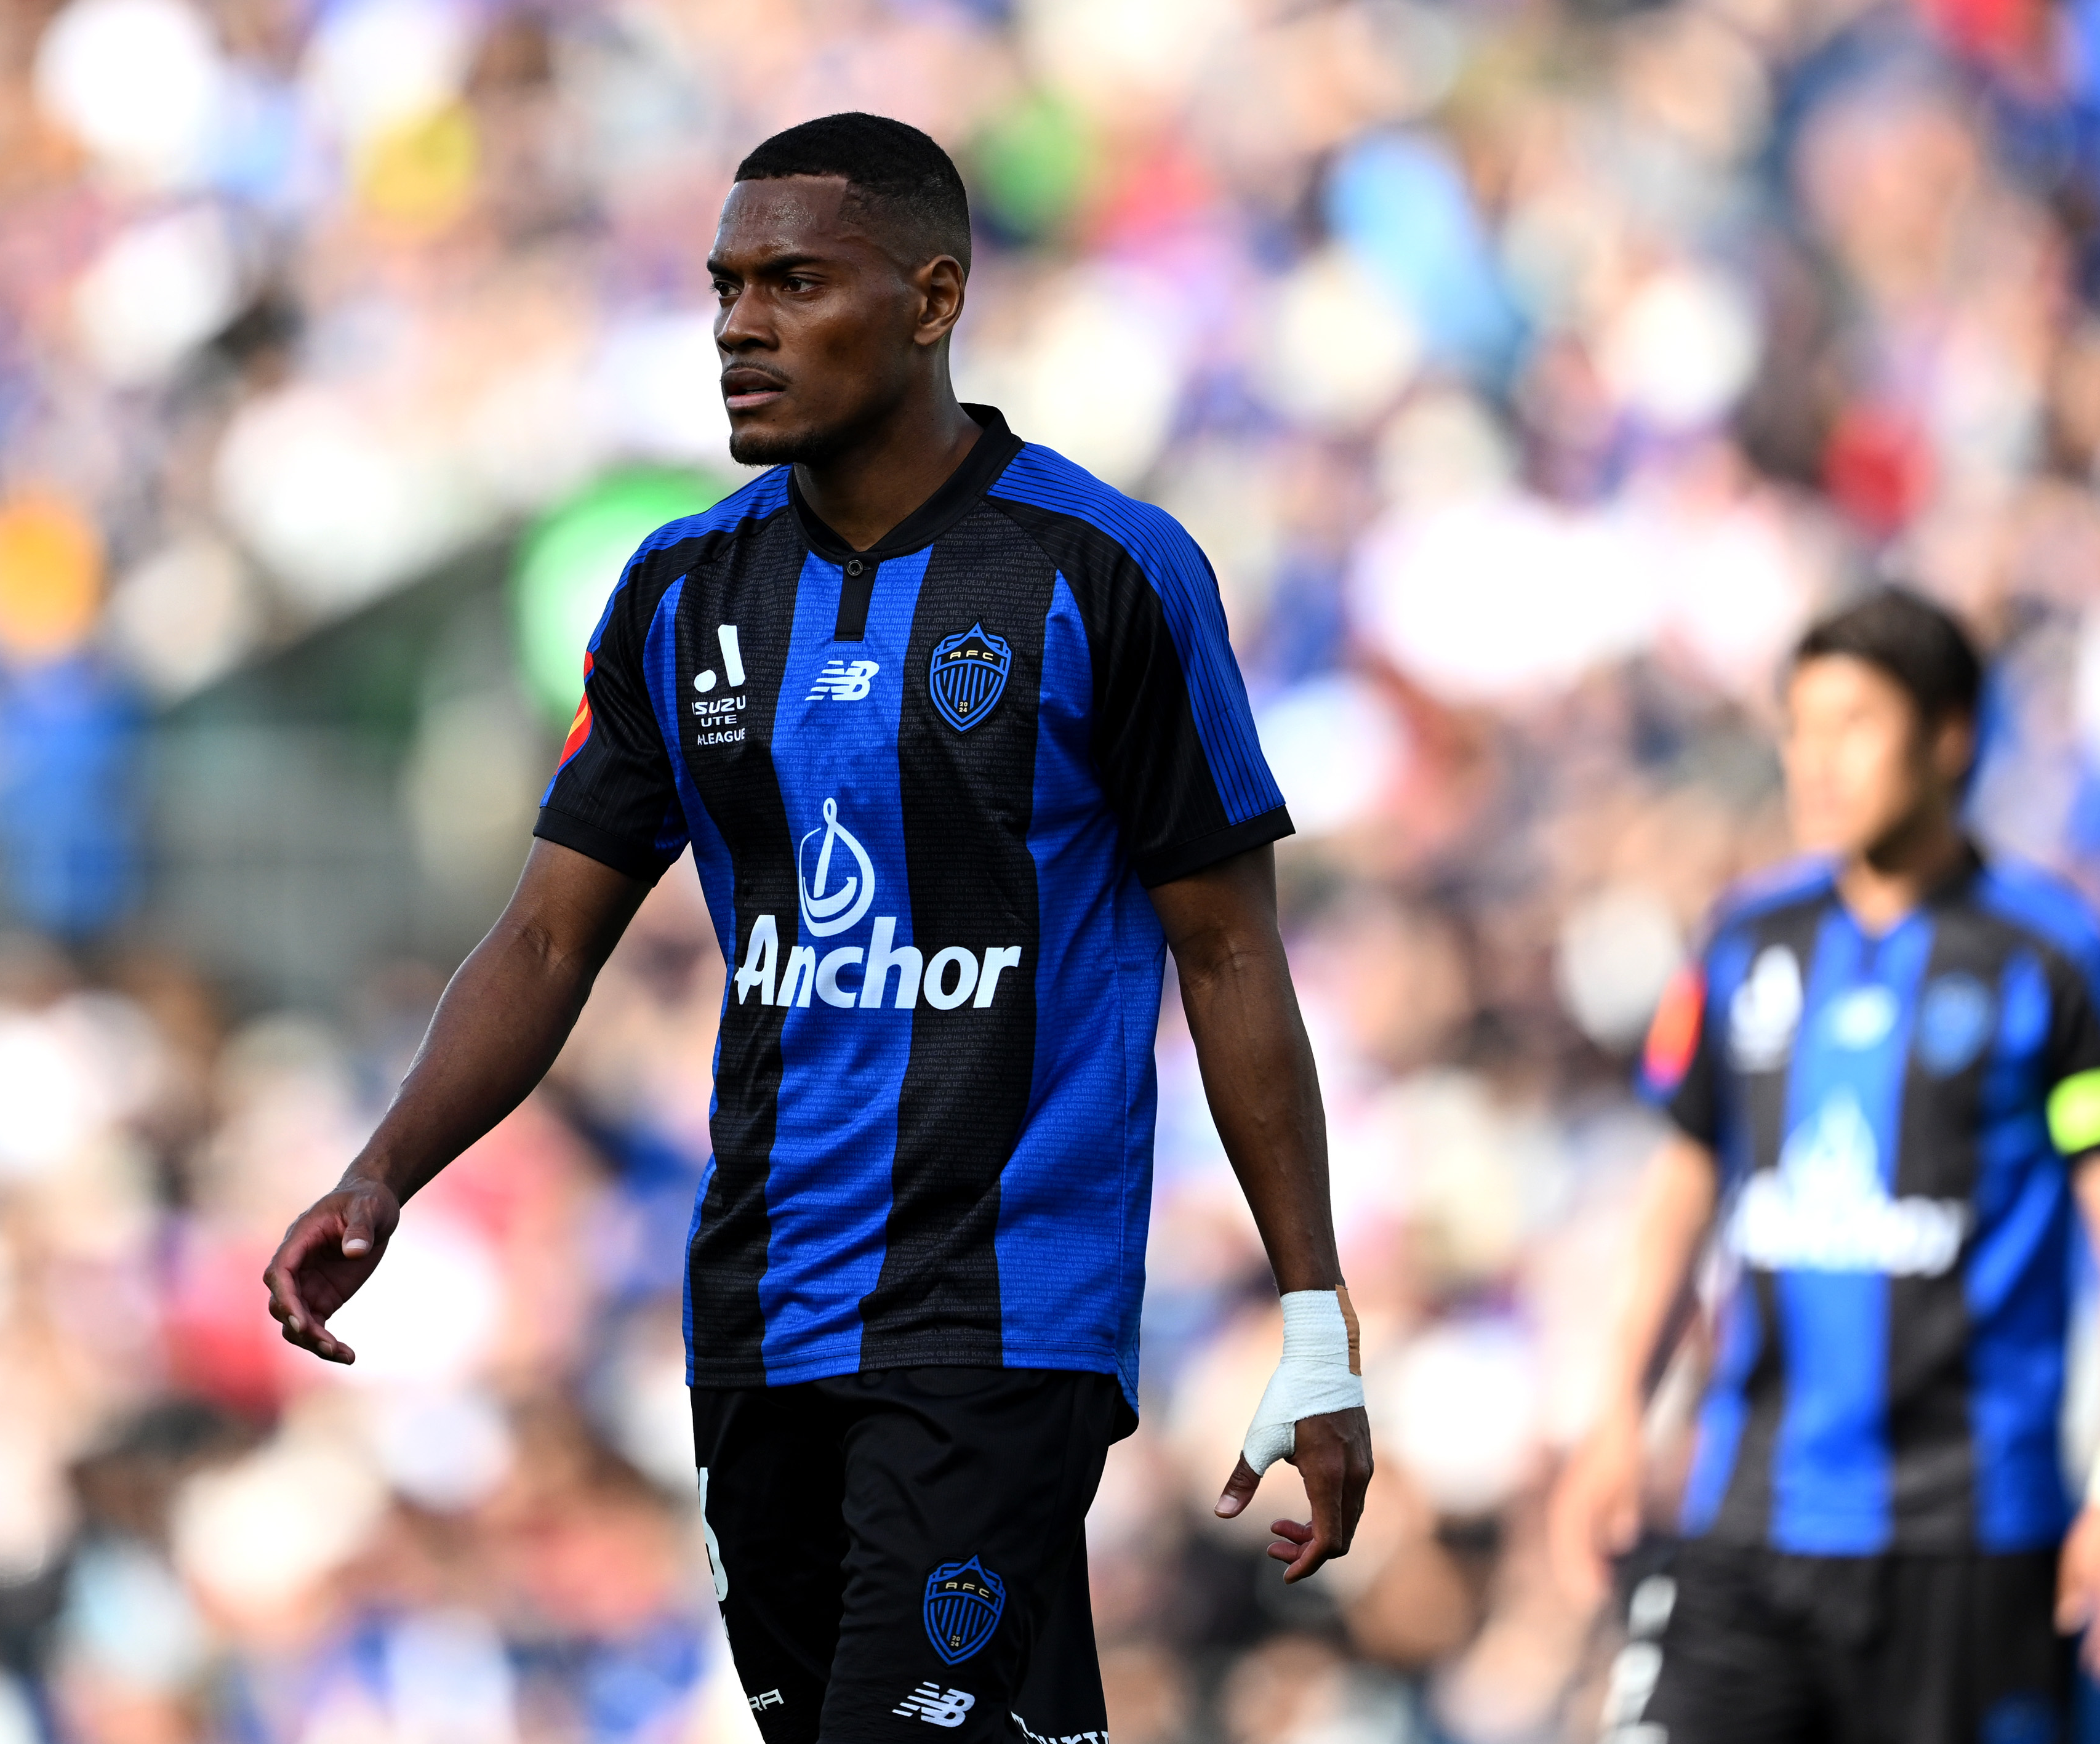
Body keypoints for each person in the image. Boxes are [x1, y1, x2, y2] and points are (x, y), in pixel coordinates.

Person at [260, 113, 1373, 1744]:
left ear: (932, 300)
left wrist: (1315, 1325)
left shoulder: (1107, 573)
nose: (740, 325)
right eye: (725, 287)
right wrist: (384, 1170)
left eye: (793, 282)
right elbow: (550, 936)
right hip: (759, 1310)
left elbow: (1227, 954)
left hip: (1002, 1311)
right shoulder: (677, 593)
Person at [1549, 587, 2100, 1743]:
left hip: (1969, 1534)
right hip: (1747, 1520)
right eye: (1799, 727)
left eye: (1854, 725)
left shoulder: (2056, 956)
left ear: (1949, 738)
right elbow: (1681, 1189)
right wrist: (1616, 1418)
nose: (1817, 761)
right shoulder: (1743, 940)